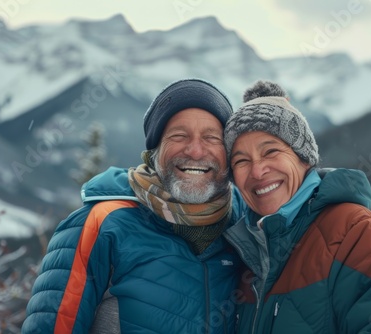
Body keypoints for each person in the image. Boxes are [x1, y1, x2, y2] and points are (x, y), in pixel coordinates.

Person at [22, 78, 244, 334]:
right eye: (179, 135)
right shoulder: (102, 223)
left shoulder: (247, 225)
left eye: (212, 137)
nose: (195, 151)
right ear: (154, 152)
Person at [222, 80, 371, 333]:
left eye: (270, 152)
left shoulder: (355, 232)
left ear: (304, 157)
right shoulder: (247, 249)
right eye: (241, 161)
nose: (258, 171)